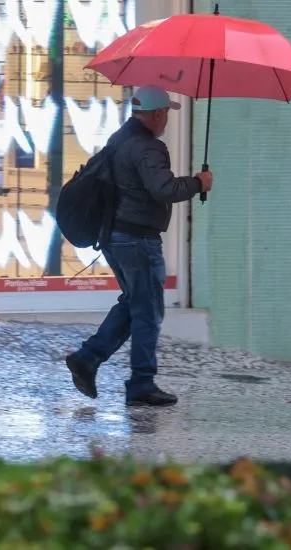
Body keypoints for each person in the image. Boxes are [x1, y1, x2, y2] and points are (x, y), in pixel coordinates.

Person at [66, 85, 213, 407]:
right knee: (148, 312)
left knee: (134, 303)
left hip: (115, 236)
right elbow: (164, 189)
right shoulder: (148, 147)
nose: (167, 120)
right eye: (166, 113)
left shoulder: (119, 139)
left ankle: (88, 358)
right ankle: (141, 383)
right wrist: (197, 183)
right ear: (158, 113)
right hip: (137, 240)